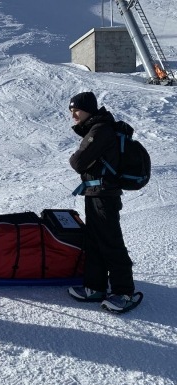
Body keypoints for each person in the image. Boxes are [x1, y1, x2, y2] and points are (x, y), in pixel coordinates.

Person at [66, 91, 142, 312]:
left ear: (88, 109)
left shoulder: (100, 129)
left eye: (76, 110)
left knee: (110, 242)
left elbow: (78, 162)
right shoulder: (96, 129)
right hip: (95, 193)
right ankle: (95, 287)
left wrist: (77, 156)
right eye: (72, 111)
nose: (74, 115)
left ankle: (124, 292)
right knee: (95, 242)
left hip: (104, 195)